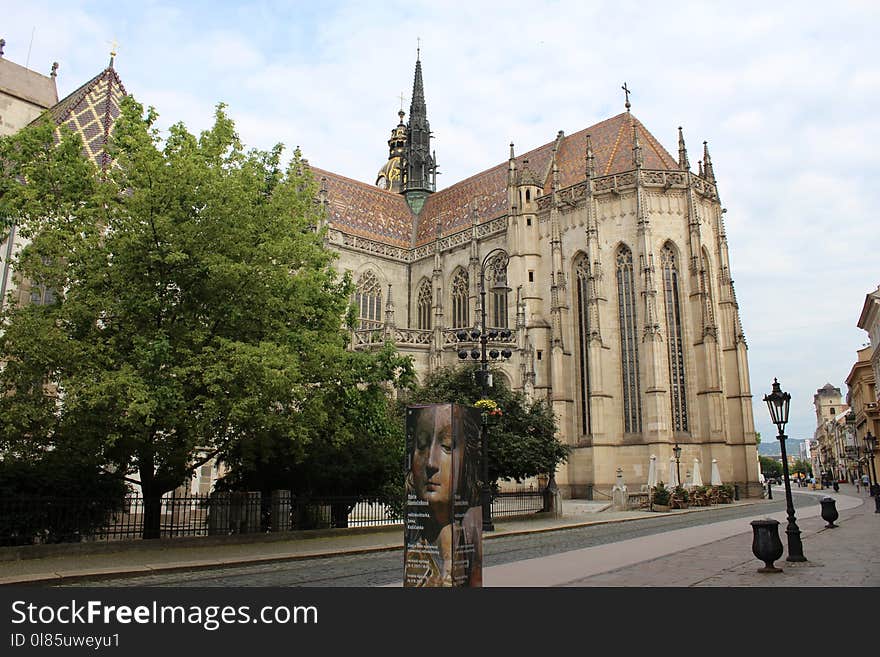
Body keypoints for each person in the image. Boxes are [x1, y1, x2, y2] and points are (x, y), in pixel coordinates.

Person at [404, 404, 482, 587]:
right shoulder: (414, 546)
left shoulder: (471, 531)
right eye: (421, 445)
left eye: (447, 446)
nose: (431, 462)